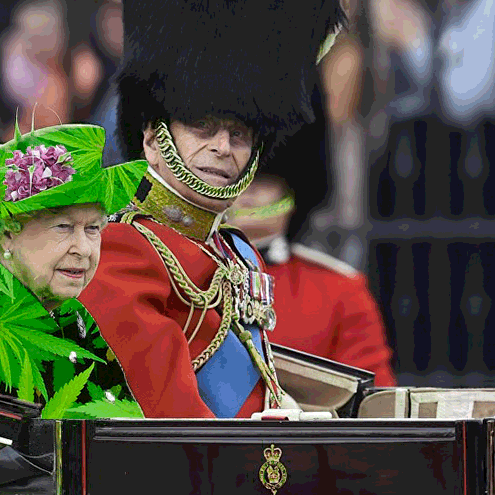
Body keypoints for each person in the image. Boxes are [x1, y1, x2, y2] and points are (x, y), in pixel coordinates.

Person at [78, 0, 345, 418]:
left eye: (239, 134)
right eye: (202, 126)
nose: (222, 147)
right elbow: (171, 419)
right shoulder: (122, 249)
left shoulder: (237, 253)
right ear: (153, 139)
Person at [0, 123, 148, 418]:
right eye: (63, 227)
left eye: (93, 228)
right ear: (7, 233)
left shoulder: (66, 309)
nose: (84, 249)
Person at [227, 174, 397, 386]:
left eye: (263, 178)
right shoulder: (187, 271)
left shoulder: (340, 289)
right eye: (234, 176)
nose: (248, 187)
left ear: (290, 196)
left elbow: (370, 391)